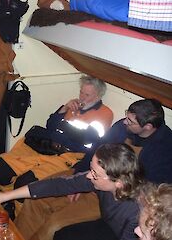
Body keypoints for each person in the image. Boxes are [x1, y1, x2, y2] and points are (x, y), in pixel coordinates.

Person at [12, 98, 172, 240]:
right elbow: (96, 149)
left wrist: (93, 183)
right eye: (126, 116)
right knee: (35, 201)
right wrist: (79, 179)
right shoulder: (122, 127)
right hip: (90, 175)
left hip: (116, 195)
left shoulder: (165, 148)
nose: (124, 122)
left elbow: (149, 192)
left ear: (148, 127)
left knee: (54, 225)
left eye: (130, 121)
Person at [0, 143, 144, 240]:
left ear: (119, 183)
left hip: (114, 234)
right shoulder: (104, 183)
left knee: (60, 230)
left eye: (95, 174)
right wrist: (3, 196)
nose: (88, 176)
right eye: (90, 169)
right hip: (109, 226)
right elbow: (56, 185)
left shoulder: (137, 215)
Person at [0, 75, 113, 191]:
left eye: (87, 95)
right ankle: (2, 197)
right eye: (81, 92)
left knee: (25, 182)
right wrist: (65, 108)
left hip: (70, 155)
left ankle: (14, 207)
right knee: (2, 168)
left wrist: (62, 129)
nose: (81, 97)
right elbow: (50, 124)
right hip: (48, 146)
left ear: (97, 96)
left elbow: (87, 138)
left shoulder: (104, 113)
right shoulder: (74, 105)